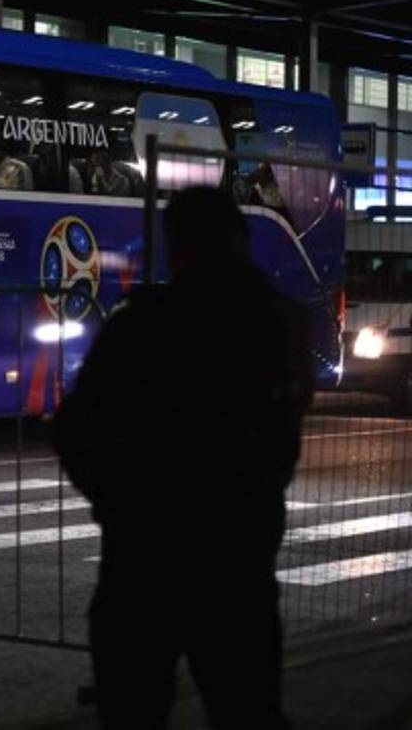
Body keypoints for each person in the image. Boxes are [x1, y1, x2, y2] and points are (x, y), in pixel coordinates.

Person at [53, 187, 313, 729]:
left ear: (177, 247)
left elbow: (77, 429)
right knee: (247, 709)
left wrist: (117, 504)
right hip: (237, 558)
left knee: (134, 707)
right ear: (239, 240)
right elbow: (283, 434)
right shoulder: (278, 326)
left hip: (145, 557)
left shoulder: (142, 324)